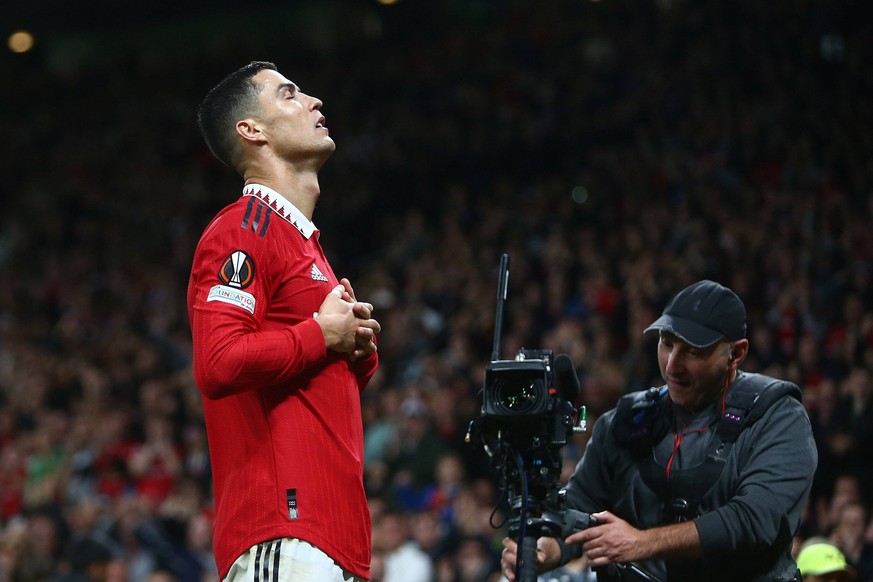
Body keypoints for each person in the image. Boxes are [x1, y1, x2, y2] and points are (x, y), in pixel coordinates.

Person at [188, 61, 381, 582]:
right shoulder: (241, 230)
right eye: (290, 94)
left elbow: (314, 380)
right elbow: (219, 362)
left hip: (332, 538)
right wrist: (321, 334)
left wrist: (352, 350)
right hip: (284, 531)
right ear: (252, 131)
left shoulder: (307, 247)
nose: (314, 101)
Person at [501, 280, 817, 581]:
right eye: (666, 344)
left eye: (693, 351)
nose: (671, 365)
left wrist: (641, 542)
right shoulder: (625, 421)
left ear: (736, 354)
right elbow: (579, 508)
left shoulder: (776, 416)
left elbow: (754, 521)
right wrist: (551, 548)